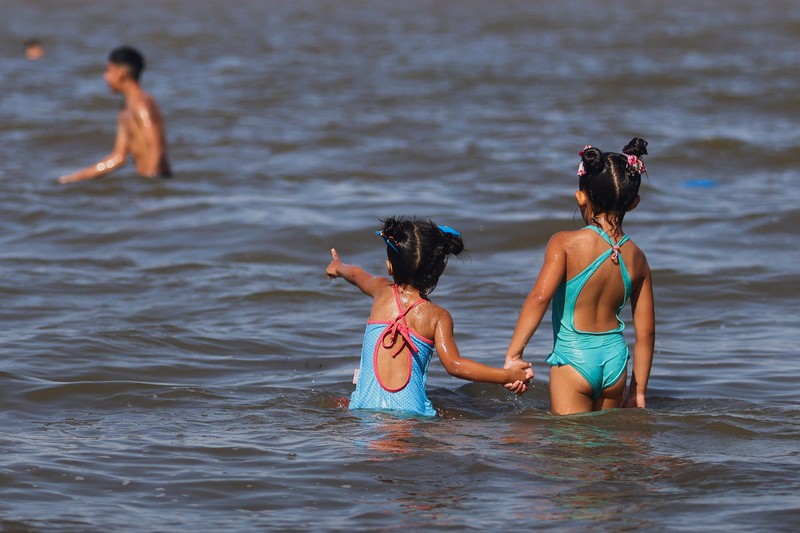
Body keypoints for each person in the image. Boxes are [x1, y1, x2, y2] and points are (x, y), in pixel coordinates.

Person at [504, 138, 655, 415]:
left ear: (581, 197)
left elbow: (539, 298)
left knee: (570, 451)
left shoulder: (564, 243)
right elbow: (645, 332)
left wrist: (514, 355)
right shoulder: (637, 257)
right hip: (615, 362)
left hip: (574, 360)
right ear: (633, 203)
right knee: (605, 451)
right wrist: (638, 390)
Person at [327, 217, 533, 417]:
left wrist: (336, 266)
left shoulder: (381, 290)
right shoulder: (437, 317)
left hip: (363, 410)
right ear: (440, 269)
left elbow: (355, 274)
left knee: (341, 402)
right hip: (411, 418)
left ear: (390, 266)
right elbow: (455, 366)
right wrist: (507, 375)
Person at [58, 46, 171, 184]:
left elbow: (156, 148)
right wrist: (75, 178)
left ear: (122, 72)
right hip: (145, 184)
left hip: (157, 181)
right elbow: (118, 157)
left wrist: (152, 187)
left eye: (109, 70)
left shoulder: (143, 104)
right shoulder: (125, 109)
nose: (105, 76)